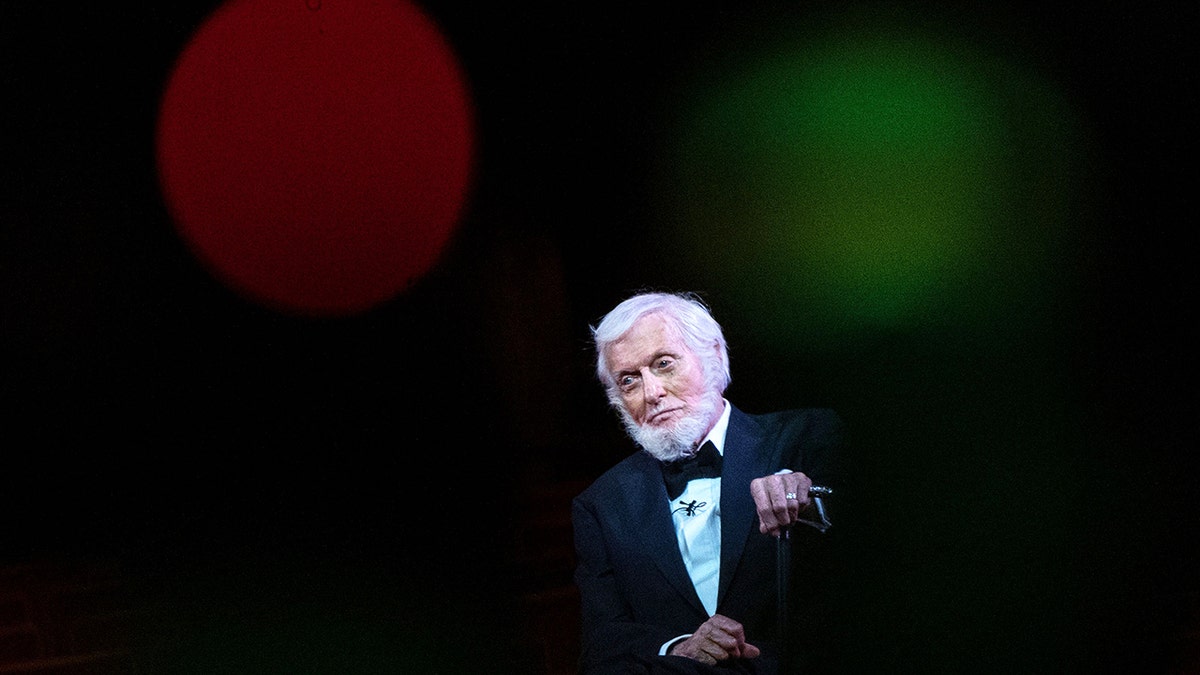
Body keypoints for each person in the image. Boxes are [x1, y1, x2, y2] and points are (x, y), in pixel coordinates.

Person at [572, 291, 844, 674]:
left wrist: (803, 496)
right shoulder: (601, 503)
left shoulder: (807, 437)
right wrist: (679, 646)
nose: (652, 393)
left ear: (713, 355)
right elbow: (602, 644)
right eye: (629, 380)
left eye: (664, 364)